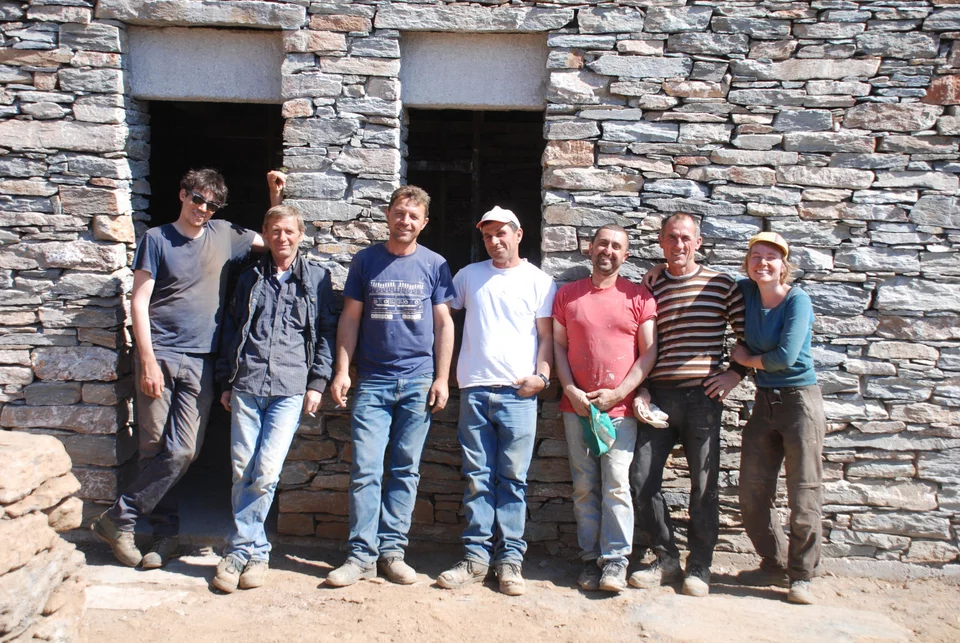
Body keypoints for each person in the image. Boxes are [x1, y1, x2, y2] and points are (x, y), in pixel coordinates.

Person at [91, 168, 263, 568]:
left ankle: (118, 518)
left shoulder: (225, 234)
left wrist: (277, 194)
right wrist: (147, 360)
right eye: (198, 199)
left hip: (201, 359)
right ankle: (163, 536)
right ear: (183, 195)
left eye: (212, 204)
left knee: (183, 450)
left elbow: (274, 237)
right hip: (161, 354)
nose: (203, 209)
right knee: (154, 448)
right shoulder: (156, 239)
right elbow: (139, 301)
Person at [325, 186, 455, 587]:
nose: (405, 221)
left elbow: (444, 323)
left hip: (418, 380)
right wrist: (342, 370)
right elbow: (350, 318)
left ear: (424, 222)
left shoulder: (435, 264)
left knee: (405, 469)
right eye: (400, 213)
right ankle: (360, 556)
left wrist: (442, 377)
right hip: (373, 380)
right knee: (365, 469)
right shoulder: (366, 261)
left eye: (414, 216)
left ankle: (392, 553)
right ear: (388, 214)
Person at [211, 204, 337, 593]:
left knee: (265, 471)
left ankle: (241, 550)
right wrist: (225, 380)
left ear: (301, 235)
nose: (282, 237)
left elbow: (326, 333)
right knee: (242, 469)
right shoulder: (249, 277)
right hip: (247, 384)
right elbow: (230, 328)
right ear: (265, 235)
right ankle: (253, 552)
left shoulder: (317, 279)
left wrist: (318, 382)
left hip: (289, 388)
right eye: (275, 231)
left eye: (289, 231)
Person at [437, 206, 556, 597]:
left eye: (501, 233)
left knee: (513, 480)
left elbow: (547, 337)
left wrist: (542, 377)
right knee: (477, 478)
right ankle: (475, 559)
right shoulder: (469, 276)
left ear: (518, 235)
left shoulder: (539, 281)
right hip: (474, 389)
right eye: (488, 236)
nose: (494, 241)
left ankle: (509, 562)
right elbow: (441, 315)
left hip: (518, 394)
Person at [629, 212, 745, 597]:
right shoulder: (650, 287)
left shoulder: (721, 285)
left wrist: (735, 374)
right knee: (642, 479)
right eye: (671, 237)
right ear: (661, 242)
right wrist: (642, 390)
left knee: (704, 485)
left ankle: (700, 565)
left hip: (702, 399)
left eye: (685, 238)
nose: (678, 244)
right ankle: (666, 559)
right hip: (659, 396)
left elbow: (748, 335)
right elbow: (638, 344)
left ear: (698, 242)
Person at [552, 224, 658, 593]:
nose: (607, 251)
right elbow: (559, 347)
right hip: (577, 408)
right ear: (590, 248)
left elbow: (649, 353)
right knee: (584, 486)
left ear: (625, 255)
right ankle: (589, 559)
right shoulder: (568, 295)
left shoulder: (639, 297)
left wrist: (619, 393)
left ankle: (615, 562)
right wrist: (570, 390)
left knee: (616, 484)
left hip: (620, 410)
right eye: (602, 244)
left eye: (616, 246)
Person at [730, 232, 824, 606]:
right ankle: (774, 563)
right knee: (752, 491)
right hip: (764, 401)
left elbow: (785, 357)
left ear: (783, 265)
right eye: (756, 256)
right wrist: (659, 272)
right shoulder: (747, 293)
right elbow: (708, 283)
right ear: (747, 263)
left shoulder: (797, 300)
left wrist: (745, 360)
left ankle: (801, 576)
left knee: (804, 491)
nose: (763, 263)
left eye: (771, 257)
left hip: (800, 402)